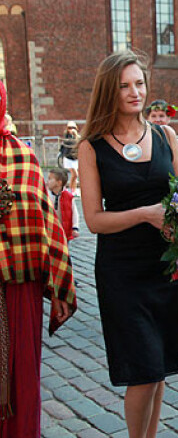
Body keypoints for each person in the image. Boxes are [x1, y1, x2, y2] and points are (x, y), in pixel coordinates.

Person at [77, 50, 178, 438]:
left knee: (158, 369)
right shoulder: (91, 146)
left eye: (139, 83)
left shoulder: (165, 135)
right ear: (110, 90)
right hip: (122, 272)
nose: (134, 92)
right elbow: (93, 220)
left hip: (166, 267)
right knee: (143, 368)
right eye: (124, 85)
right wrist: (145, 213)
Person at [0, 80, 76, 437]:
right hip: (17, 287)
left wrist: (60, 287)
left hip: (20, 291)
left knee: (22, 379)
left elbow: (46, 226)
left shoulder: (23, 158)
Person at [145, 99, 178, 175]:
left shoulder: (177, 143)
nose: (157, 120)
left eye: (161, 116)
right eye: (153, 116)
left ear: (168, 119)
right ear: (147, 119)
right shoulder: (144, 141)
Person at [47, 168, 80, 242]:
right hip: (50, 230)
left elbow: (75, 213)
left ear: (59, 183)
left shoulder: (69, 197)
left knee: (65, 249)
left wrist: (75, 228)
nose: (47, 181)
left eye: (50, 179)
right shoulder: (46, 196)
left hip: (64, 231)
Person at [61, 121, 80, 196]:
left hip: (75, 159)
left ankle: (73, 190)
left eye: (73, 128)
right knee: (75, 174)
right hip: (68, 158)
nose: (71, 129)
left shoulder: (77, 137)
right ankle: (71, 190)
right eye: (70, 128)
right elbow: (66, 145)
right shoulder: (66, 137)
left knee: (75, 176)